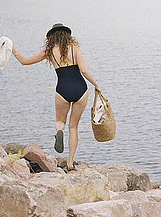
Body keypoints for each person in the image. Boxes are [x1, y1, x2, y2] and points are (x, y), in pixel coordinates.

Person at [11, 22, 102, 171]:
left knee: (61, 121)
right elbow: (84, 71)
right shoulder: (75, 48)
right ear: (67, 35)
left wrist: (12, 48)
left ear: (51, 37)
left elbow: (24, 62)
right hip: (80, 89)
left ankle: (59, 131)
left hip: (62, 90)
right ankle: (70, 163)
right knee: (74, 127)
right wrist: (96, 85)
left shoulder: (49, 52)